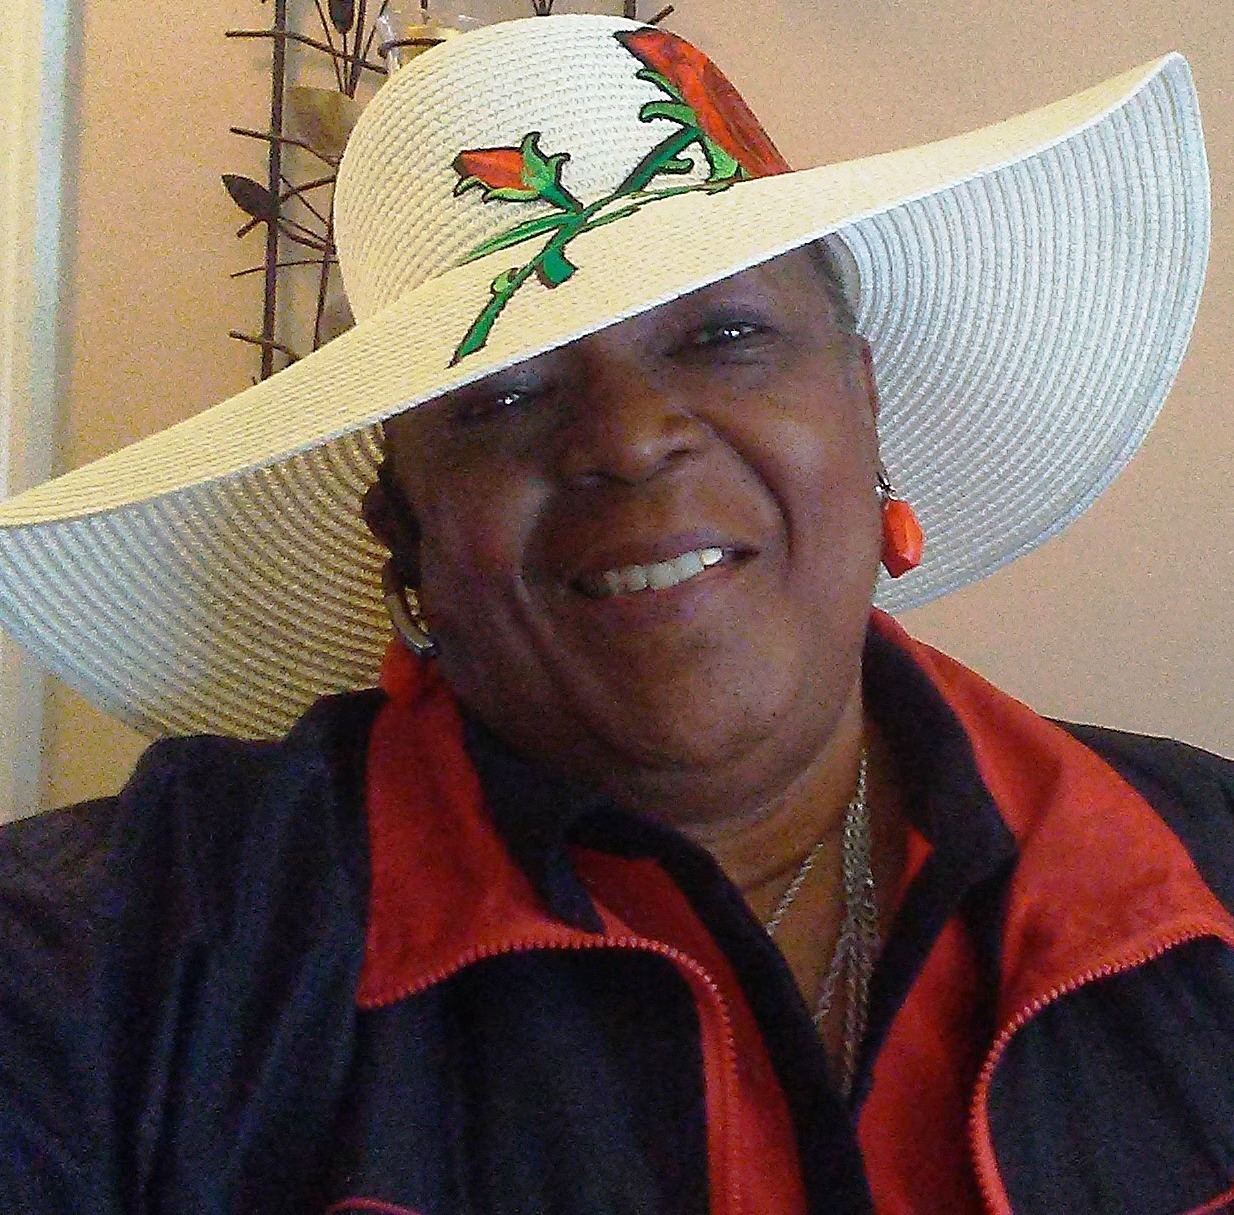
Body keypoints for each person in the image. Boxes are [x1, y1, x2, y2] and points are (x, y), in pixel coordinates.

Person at [0, 13, 1232, 1214]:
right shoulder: (129, 961)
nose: (632, 440)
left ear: (863, 406)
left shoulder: (1197, 868)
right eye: (502, 397)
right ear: (406, 537)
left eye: (724, 334)